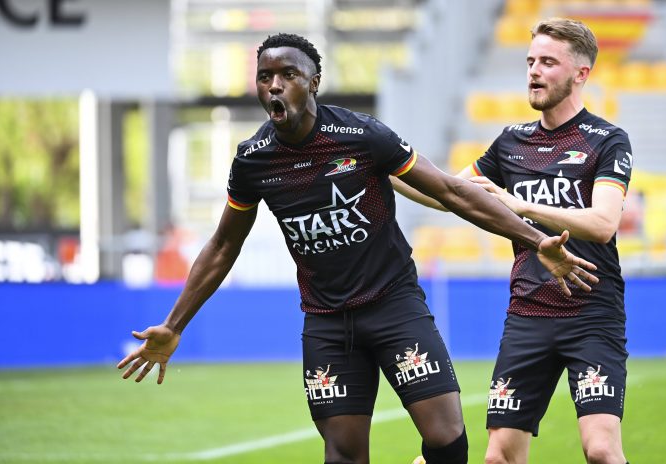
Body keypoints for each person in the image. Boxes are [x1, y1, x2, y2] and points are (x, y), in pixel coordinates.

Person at [117, 32, 598, 464]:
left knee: (448, 438)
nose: (275, 86)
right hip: (327, 324)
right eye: (265, 77)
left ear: (314, 82)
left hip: (395, 307)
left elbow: (452, 191)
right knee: (344, 455)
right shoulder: (253, 160)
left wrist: (536, 240)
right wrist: (174, 325)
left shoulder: (362, 136)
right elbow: (224, 245)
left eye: (288, 75)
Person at [393, 18, 631, 464]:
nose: (534, 71)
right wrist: (386, 164)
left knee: (600, 449)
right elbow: (447, 194)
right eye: (530, 61)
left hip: (591, 314)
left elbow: (603, 223)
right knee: (498, 456)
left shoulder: (607, 140)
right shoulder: (511, 142)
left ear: (581, 73)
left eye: (548, 62)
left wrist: (520, 204)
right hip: (528, 315)